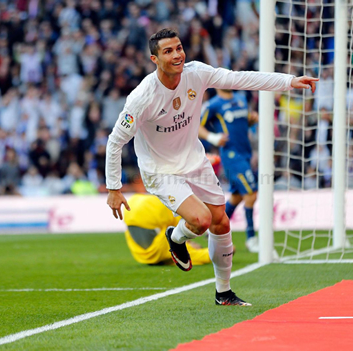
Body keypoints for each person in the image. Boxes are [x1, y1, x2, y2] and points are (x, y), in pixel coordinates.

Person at [106, 28, 317, 306]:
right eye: (168, 51)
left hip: (195, 160)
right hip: (160, 170)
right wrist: (113, 187)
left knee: (221, 222)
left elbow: (241, 79)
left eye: (179, 48)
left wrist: (289, 81)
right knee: (201, 220)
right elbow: (114, 141)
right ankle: (176, 236)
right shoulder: (142, 97)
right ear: (154, 59)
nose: (177, 54)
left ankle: (224, 292)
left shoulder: (197, 73)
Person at [198, 89, 260, 253]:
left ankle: (213, 229)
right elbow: (196, 126)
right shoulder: (213, 105)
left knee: (238, 196)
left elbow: (242, 124)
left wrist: (251, 121)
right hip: (231, 155)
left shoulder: (241, 98)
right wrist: (213, 137)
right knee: (251, 194)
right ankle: (251, 238)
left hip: (245, 152)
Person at [123, 193, 211, 266]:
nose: (195, 244)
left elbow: (206, 255)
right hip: (135, 210)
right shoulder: (173, 248)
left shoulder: (182, 250)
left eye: (196, 246)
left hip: (136, 207)